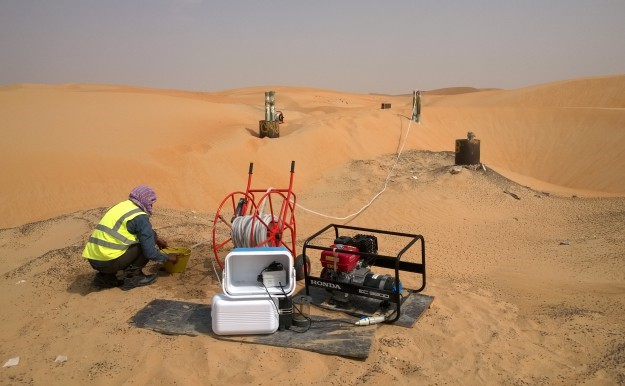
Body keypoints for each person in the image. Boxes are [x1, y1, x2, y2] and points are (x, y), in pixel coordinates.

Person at [82, 185, 177, 290]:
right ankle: (133, 277)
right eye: (151, 202)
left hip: (94, 259)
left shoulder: (121, 206)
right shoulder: (140, 216)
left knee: (150, 236)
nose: (151, 206)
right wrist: (168, 257)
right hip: (108, 262)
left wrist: (158, 240)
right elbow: (150, 253)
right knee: (148, 240)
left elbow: (126, 230)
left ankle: (105, 278)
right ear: (145, 200)